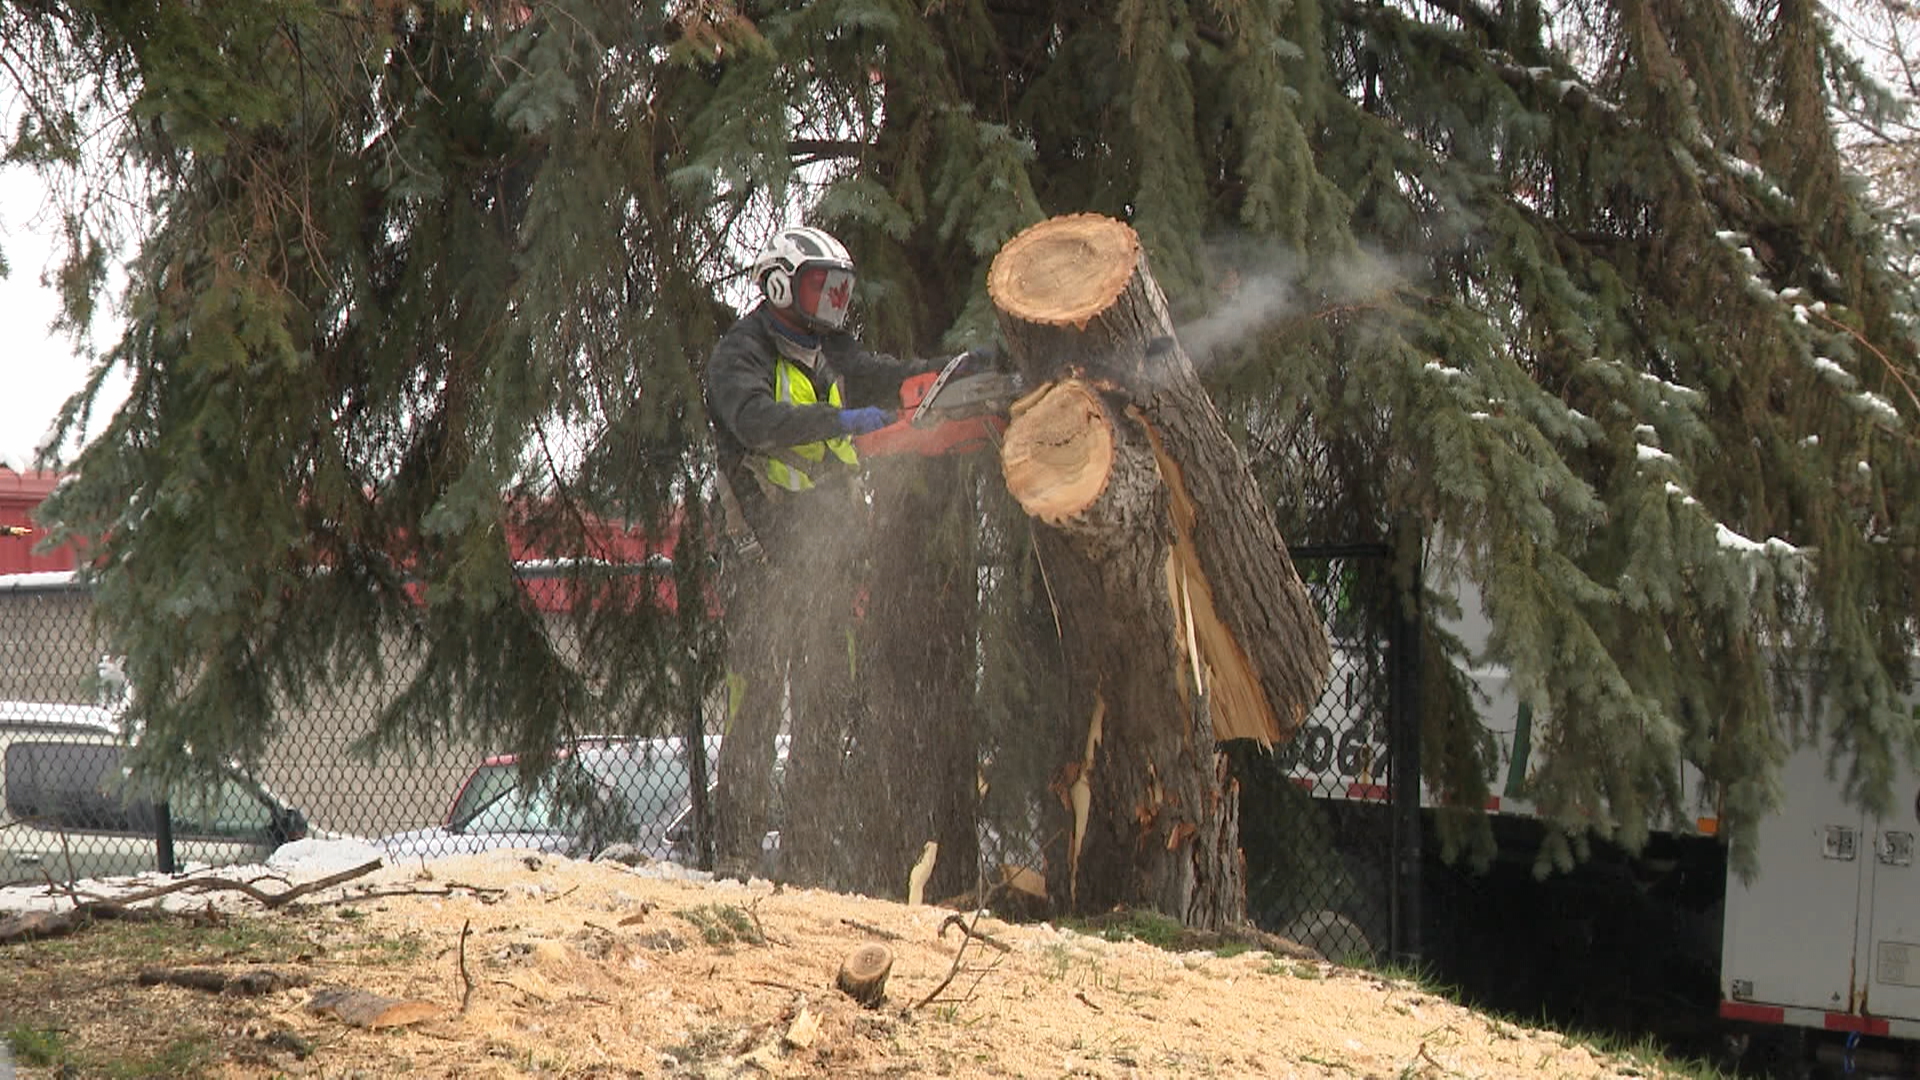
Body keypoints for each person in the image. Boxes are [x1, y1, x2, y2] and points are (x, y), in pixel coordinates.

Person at [701, 224, 971, 881]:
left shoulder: (834, 354)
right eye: (822, 287)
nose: (834, 302)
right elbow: (756, 421)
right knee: (755, 706)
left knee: (822, 708)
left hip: (827, 557)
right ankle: (735, 860)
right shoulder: (742, 353)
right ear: (780, 284)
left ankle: (808, 865)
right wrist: (840, 422)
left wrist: (949, 372)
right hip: (760, 553)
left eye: (840, 290)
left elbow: (885, 377)